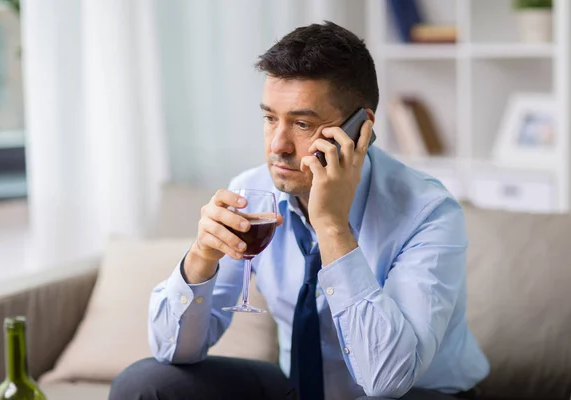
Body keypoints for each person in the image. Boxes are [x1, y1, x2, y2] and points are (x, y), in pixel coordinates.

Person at [109, 21, 489, 400]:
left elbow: (389, 379)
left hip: (415, 393)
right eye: (270, 118)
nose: (278, 145)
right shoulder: (252, 193)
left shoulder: (429, 212)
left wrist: (332, 225)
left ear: (360, 129)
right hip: (302, 390)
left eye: (302, 124)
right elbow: (173, 351)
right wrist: (200, 259)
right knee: (144, 385)